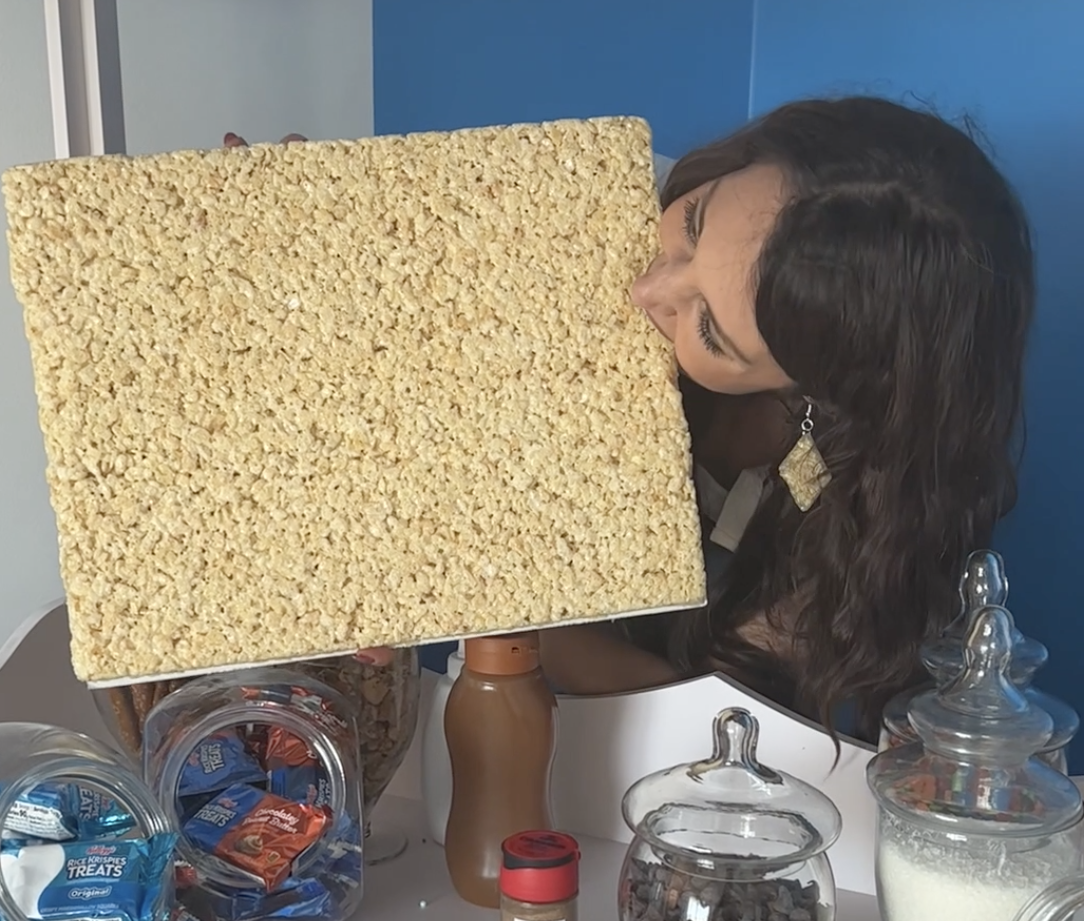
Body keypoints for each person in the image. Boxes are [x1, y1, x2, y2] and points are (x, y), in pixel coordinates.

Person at [222, 96, 1034, 742]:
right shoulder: (579, 223)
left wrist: (455, 598)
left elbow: (720, 720)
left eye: (708, 328)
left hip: (621, 784)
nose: (650, 291)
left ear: (826, 382)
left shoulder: (881, 501)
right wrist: (304, 287)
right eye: (691, 223)